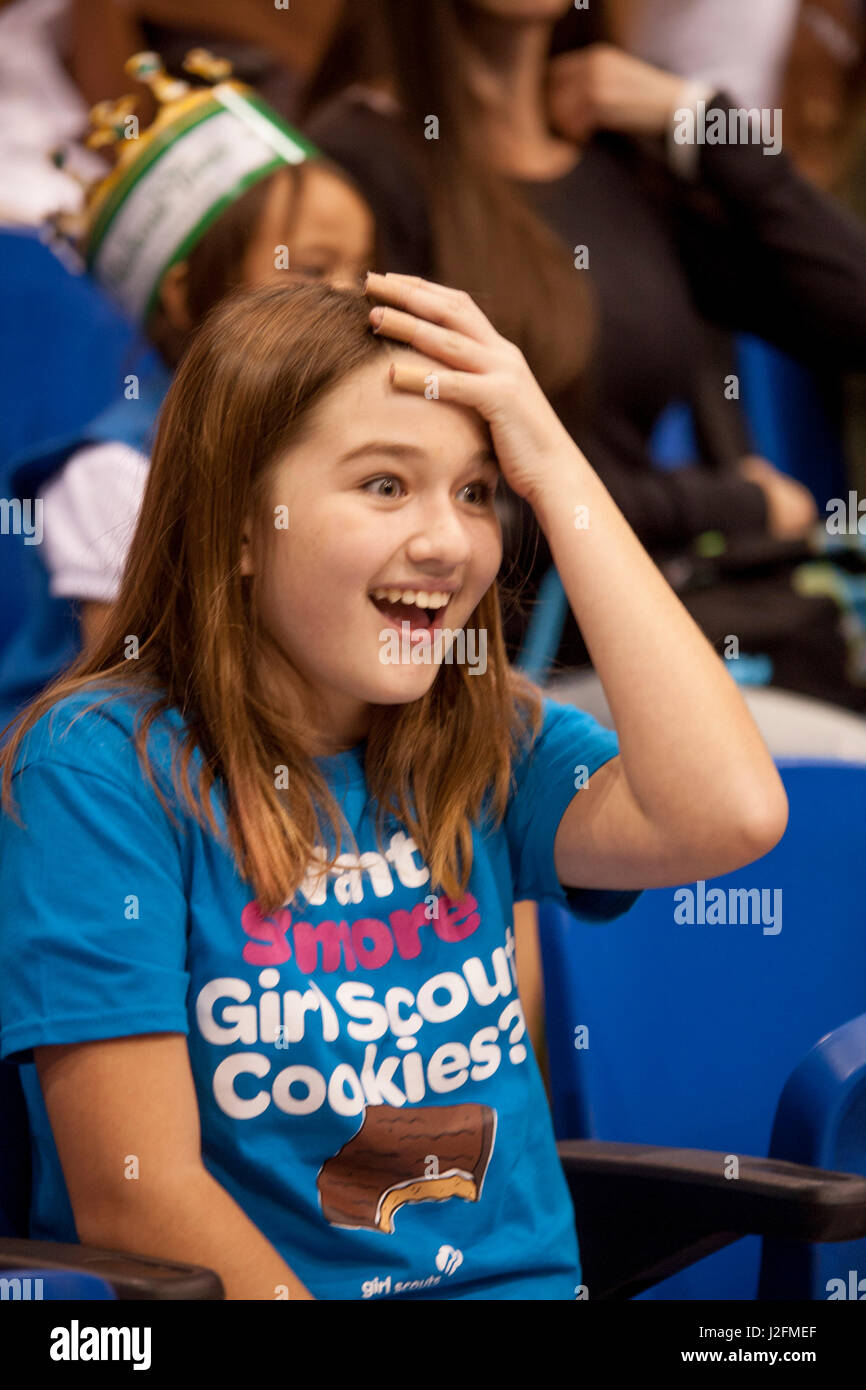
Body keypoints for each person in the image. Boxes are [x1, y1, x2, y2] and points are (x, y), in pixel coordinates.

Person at [0, 275, 787, 1301]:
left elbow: (728, 812)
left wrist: (554, 466)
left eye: (474, 490)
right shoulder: (98, 768)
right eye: (383, 485)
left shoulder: (485, 734)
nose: (447, 541)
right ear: (240, 525)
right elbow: (135, 1197)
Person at [301, 0, 866, 713]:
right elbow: (439, 494)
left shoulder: (613, 149)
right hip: (504, 665)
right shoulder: (359, 161)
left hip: (682, 623)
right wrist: (732, 502)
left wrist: (698, 117)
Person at [0, 46, 374, 731]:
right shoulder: (114, 470)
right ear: (183, 293)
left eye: (362, 268)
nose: (351, 298)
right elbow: (131, 707)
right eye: (313, 270)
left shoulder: (339, 443)